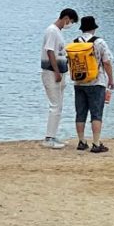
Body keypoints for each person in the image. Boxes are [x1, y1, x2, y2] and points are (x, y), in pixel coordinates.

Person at [69, 16, 114, 154]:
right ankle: (96, 143)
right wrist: (110, 79)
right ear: (94, 28)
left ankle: (82, 141)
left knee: (80, 113)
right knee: (96, 114)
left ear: (82, 28)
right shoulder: (99, 42)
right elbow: (106, 62)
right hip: (96, 82)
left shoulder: (75, 42)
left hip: (79, 82)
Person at [40, 8, 78, 149]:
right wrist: (55, 71)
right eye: (71, 21)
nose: (70, 24)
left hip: (61, 72)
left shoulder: (58, 32)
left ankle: (53, 135)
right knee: (55, 105)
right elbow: (49, 51)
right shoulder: (52, 31)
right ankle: (48, 138)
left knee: (59, 106)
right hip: (51, 72)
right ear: (66, 18)